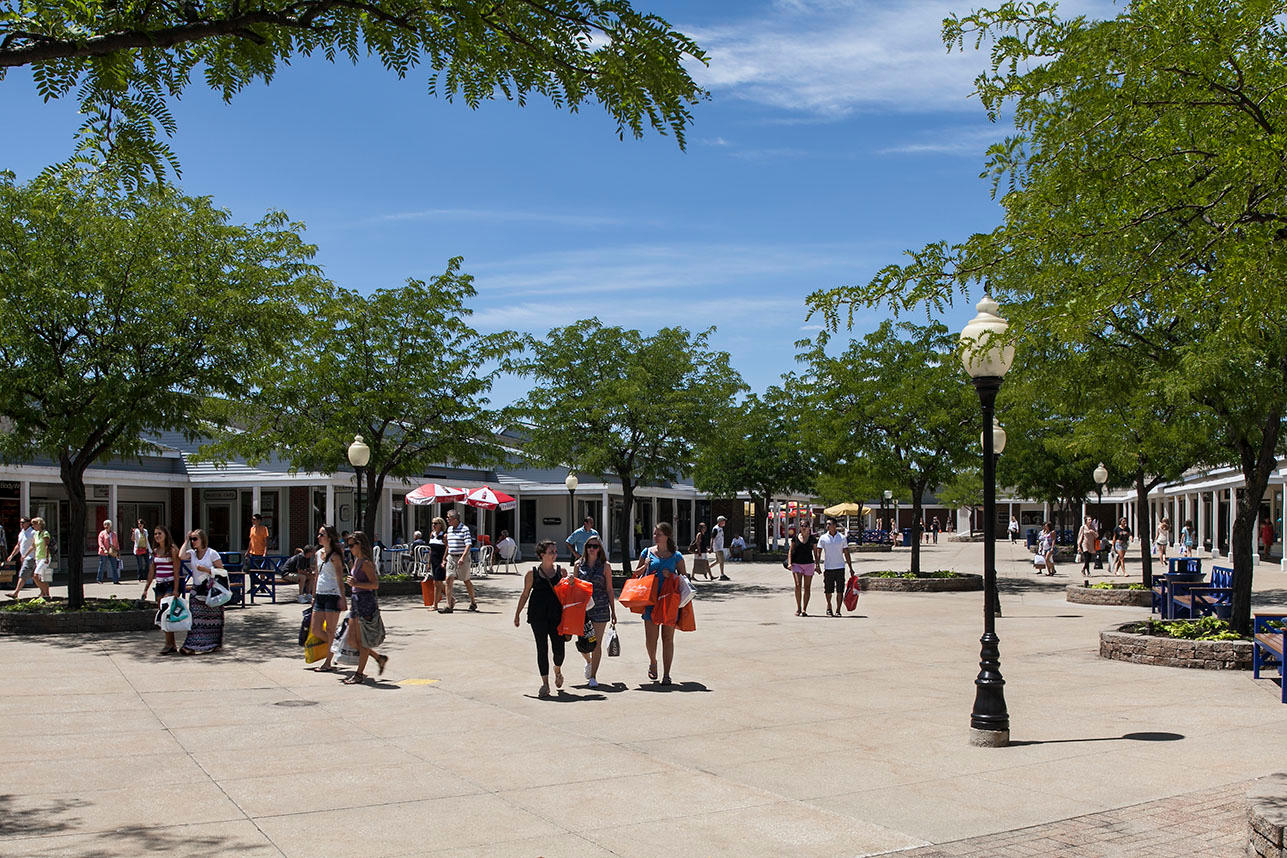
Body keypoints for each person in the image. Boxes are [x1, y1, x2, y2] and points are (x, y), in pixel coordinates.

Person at [633, 522, 687, 685]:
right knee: (651, 639)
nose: (655, 536)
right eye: (655, 533)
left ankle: (667, 674)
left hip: (670, 601)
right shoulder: (647, 552)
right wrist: (645, 565)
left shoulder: (676, 556)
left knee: (667, 638)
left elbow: (686, 580)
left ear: (667, 536)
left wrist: (672, 577)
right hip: (651, 600)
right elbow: (635, 574)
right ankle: (653, 662)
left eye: (659, 534)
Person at [513, 539, 567, 698]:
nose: (555, 555)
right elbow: (525, 594)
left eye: (555, 552)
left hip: (556, 616)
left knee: (559, 649)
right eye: (551, 552)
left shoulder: (561, 572)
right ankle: (545, 683)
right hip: (537, 616)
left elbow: (568, 594)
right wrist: (517, 614)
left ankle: (557, 670)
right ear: (542, 555)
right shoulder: (532, 573)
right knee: (541, 648)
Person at [342, 531, 388, 684]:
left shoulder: (366, 563)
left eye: (351, 545)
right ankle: (379, 658)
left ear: (359, 545)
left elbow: (375, 585)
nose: (349, 548)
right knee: (352, 640)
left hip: (365, 602)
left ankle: (359, 674)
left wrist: (356, 584)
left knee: (362, 641)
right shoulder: (356, 560)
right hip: (356, 600)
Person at [574, 536, 616, 688]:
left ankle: (593, 676)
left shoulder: (605, 566)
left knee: (596, 643)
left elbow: (610, 589)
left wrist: (613, 611)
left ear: (600, 549)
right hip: (583, 609)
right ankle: (588, 661)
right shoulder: (579, 565)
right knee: (583, 643)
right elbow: (575, 588)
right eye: (589, 546)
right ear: (586, 547)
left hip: (601, 607)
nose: (592, 549)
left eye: (595, 546)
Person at [178, 528, 225, 655]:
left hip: (210, 590)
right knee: (195, 620)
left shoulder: (212, 553)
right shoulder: (192, 553)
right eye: (192, 539)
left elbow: (222, 571)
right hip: (196, 590)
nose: (193, 542)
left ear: (202, 539)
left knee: (213, 621)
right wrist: (186, 540)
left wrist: (206, 570)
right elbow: (181, 556)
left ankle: (214, 644)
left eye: (195, 539)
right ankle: (191, 645)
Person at [308, 526, 347, 672]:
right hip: (320, 594)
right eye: (318, 534)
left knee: (331, 629)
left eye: (321, 534)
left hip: (333, 594)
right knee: (316, 629)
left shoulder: (336, 556)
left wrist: (343, 598)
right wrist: (313, 595)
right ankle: (337, 646)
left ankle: (328, 662)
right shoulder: (318, 554)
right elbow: (317, 575)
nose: (318, 537)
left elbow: (339, 578)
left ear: (329, 537)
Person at [143, 525, 183, 654]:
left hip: (170, 584)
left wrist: (176, 589)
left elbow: (176, 572)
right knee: (163, 616)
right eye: (155, 534)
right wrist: (146, 588)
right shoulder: (155, 551)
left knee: (167, 613)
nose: (157, 536)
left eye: (159, 533)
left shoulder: (172, 550)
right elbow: (151, 572)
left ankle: (169, 644)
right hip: (159, 585)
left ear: (166, 535)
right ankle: (171, 644)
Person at [817, 518, 853, 617]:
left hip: (840, 567)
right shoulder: (823, 538)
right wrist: (817, 565)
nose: (827, 526)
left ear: (834, 525)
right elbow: (818, 552)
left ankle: (838, 610)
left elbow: (846, 552)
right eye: (827, 524)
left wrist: (850, 567)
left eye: (829, 524)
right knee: (828, 590)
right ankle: (829, 607)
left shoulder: (842, 538)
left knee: (840, 590)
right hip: (828, 568)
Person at [444, 509, 476, 613]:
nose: (447, 520)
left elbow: (468, 544)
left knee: (466, 580)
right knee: (449, 579)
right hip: (451, 557)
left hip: (462, 557)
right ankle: (448, 605)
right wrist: (444, 558)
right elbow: (449, 545)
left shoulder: (464, 529)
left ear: (455, 519)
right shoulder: (449, 529)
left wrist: (463, 557)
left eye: (448, 518)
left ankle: (473, 601)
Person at [787, 522, 819, 616]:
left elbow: (815, 553)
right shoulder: (795, 538)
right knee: (797, 585)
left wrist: (817, 565)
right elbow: (791, 550)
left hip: (809, 564)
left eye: (806, 526)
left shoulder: (812, 539)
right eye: (802, 526)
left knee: (807, 587)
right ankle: (798, 608)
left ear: (809, 527)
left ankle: (804, 609)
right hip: (797, 564)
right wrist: (789, 563)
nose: (804, 528)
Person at [6, 516, 35, 600]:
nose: (21, 524)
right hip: (24, 558)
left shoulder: (33, 532)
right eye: (20, 522)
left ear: (28, 523)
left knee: (23, 574)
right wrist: (12, 555)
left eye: (23, 522)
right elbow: (18, 545)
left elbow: (35, 545)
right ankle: (45, 592)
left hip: (30, 557)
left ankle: (16, 592)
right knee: (35, 577)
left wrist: (26, 555)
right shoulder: (21, 533)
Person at [428, 517, 448, 611]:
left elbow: (447, 548)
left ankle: (435, 604)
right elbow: (430, 550)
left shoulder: (444, 535)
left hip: (440, 561)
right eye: (433, 523)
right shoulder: (432, 534)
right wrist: (428, 562)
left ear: (441, 525)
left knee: (437, 582)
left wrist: (444, 559)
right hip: (433, 560)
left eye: (436, 523)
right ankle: (451, 598)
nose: (433, 525)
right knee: (437, 582)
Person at [244, 513, 269, 577]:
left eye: (254, 519)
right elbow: (251, 541)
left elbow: (266, 542)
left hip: (261, 553)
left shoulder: (264, 529)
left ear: (259, 520)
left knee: (262, 571)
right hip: (252, 553)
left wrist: (265, 552)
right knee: (252, 570)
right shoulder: (252, 529)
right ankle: (253, 585)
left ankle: (262, 584)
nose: (253, 521)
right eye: (252, 519)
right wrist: (248, 551)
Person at [96, 519, 120, 584]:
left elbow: (116, 543)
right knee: (102, 565)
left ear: (110, 526)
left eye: (108, 525)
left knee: (114, 566)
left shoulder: (113, 534)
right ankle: (99, 579)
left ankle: (116, 580)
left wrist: (117, 551)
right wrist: (104, 549)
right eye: (105, 525)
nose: (106, 526)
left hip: (112, 551)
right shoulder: (102, 533)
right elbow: (100, 543)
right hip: (104, 552)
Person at [709, 515, 731, 581]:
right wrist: (711, 548)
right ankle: (722, 575)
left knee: (718, 561)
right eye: (723, 521)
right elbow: (712, 538)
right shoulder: (716, 529)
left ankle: (706, 569)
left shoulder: (720, 528)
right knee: (722, 561)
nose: (724, 522)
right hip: (717, 547)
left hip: (720, 547)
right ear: (720, 521)